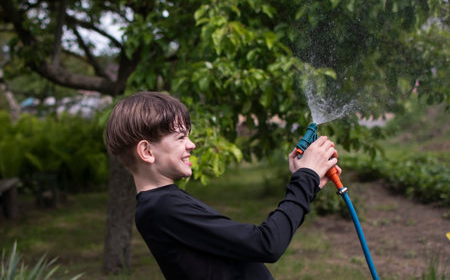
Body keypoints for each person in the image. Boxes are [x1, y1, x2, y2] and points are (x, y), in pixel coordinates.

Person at [105, 91, 341, 280]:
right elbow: (265, 244)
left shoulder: (163, 203)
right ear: (146, 151)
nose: (192, 145)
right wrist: (305, 179)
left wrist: (308, 185)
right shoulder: (162, 208)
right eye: (180, 138)